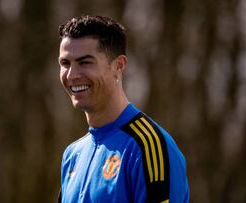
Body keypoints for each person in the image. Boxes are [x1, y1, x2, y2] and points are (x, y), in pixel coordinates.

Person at [58, 15, 189, 203]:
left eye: (85, 62)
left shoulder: (150, 146)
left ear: (118, 65)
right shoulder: (72, 155)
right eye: (65, 63)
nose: (72, 75)